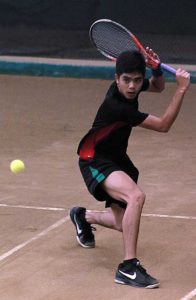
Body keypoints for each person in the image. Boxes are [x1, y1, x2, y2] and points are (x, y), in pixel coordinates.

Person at [70, 49, 190, 289]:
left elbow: (157, 87)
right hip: (95, 159)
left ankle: (83, 216)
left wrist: (155, 68)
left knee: (121, 223)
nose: (133, 86)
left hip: (118, 159)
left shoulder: (132, 87)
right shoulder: (117, 106)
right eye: (126, 80)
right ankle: (128, 267)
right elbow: (164, 125)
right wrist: (182, 89)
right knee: (136, 196)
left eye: (137, 80)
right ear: (116, 79)